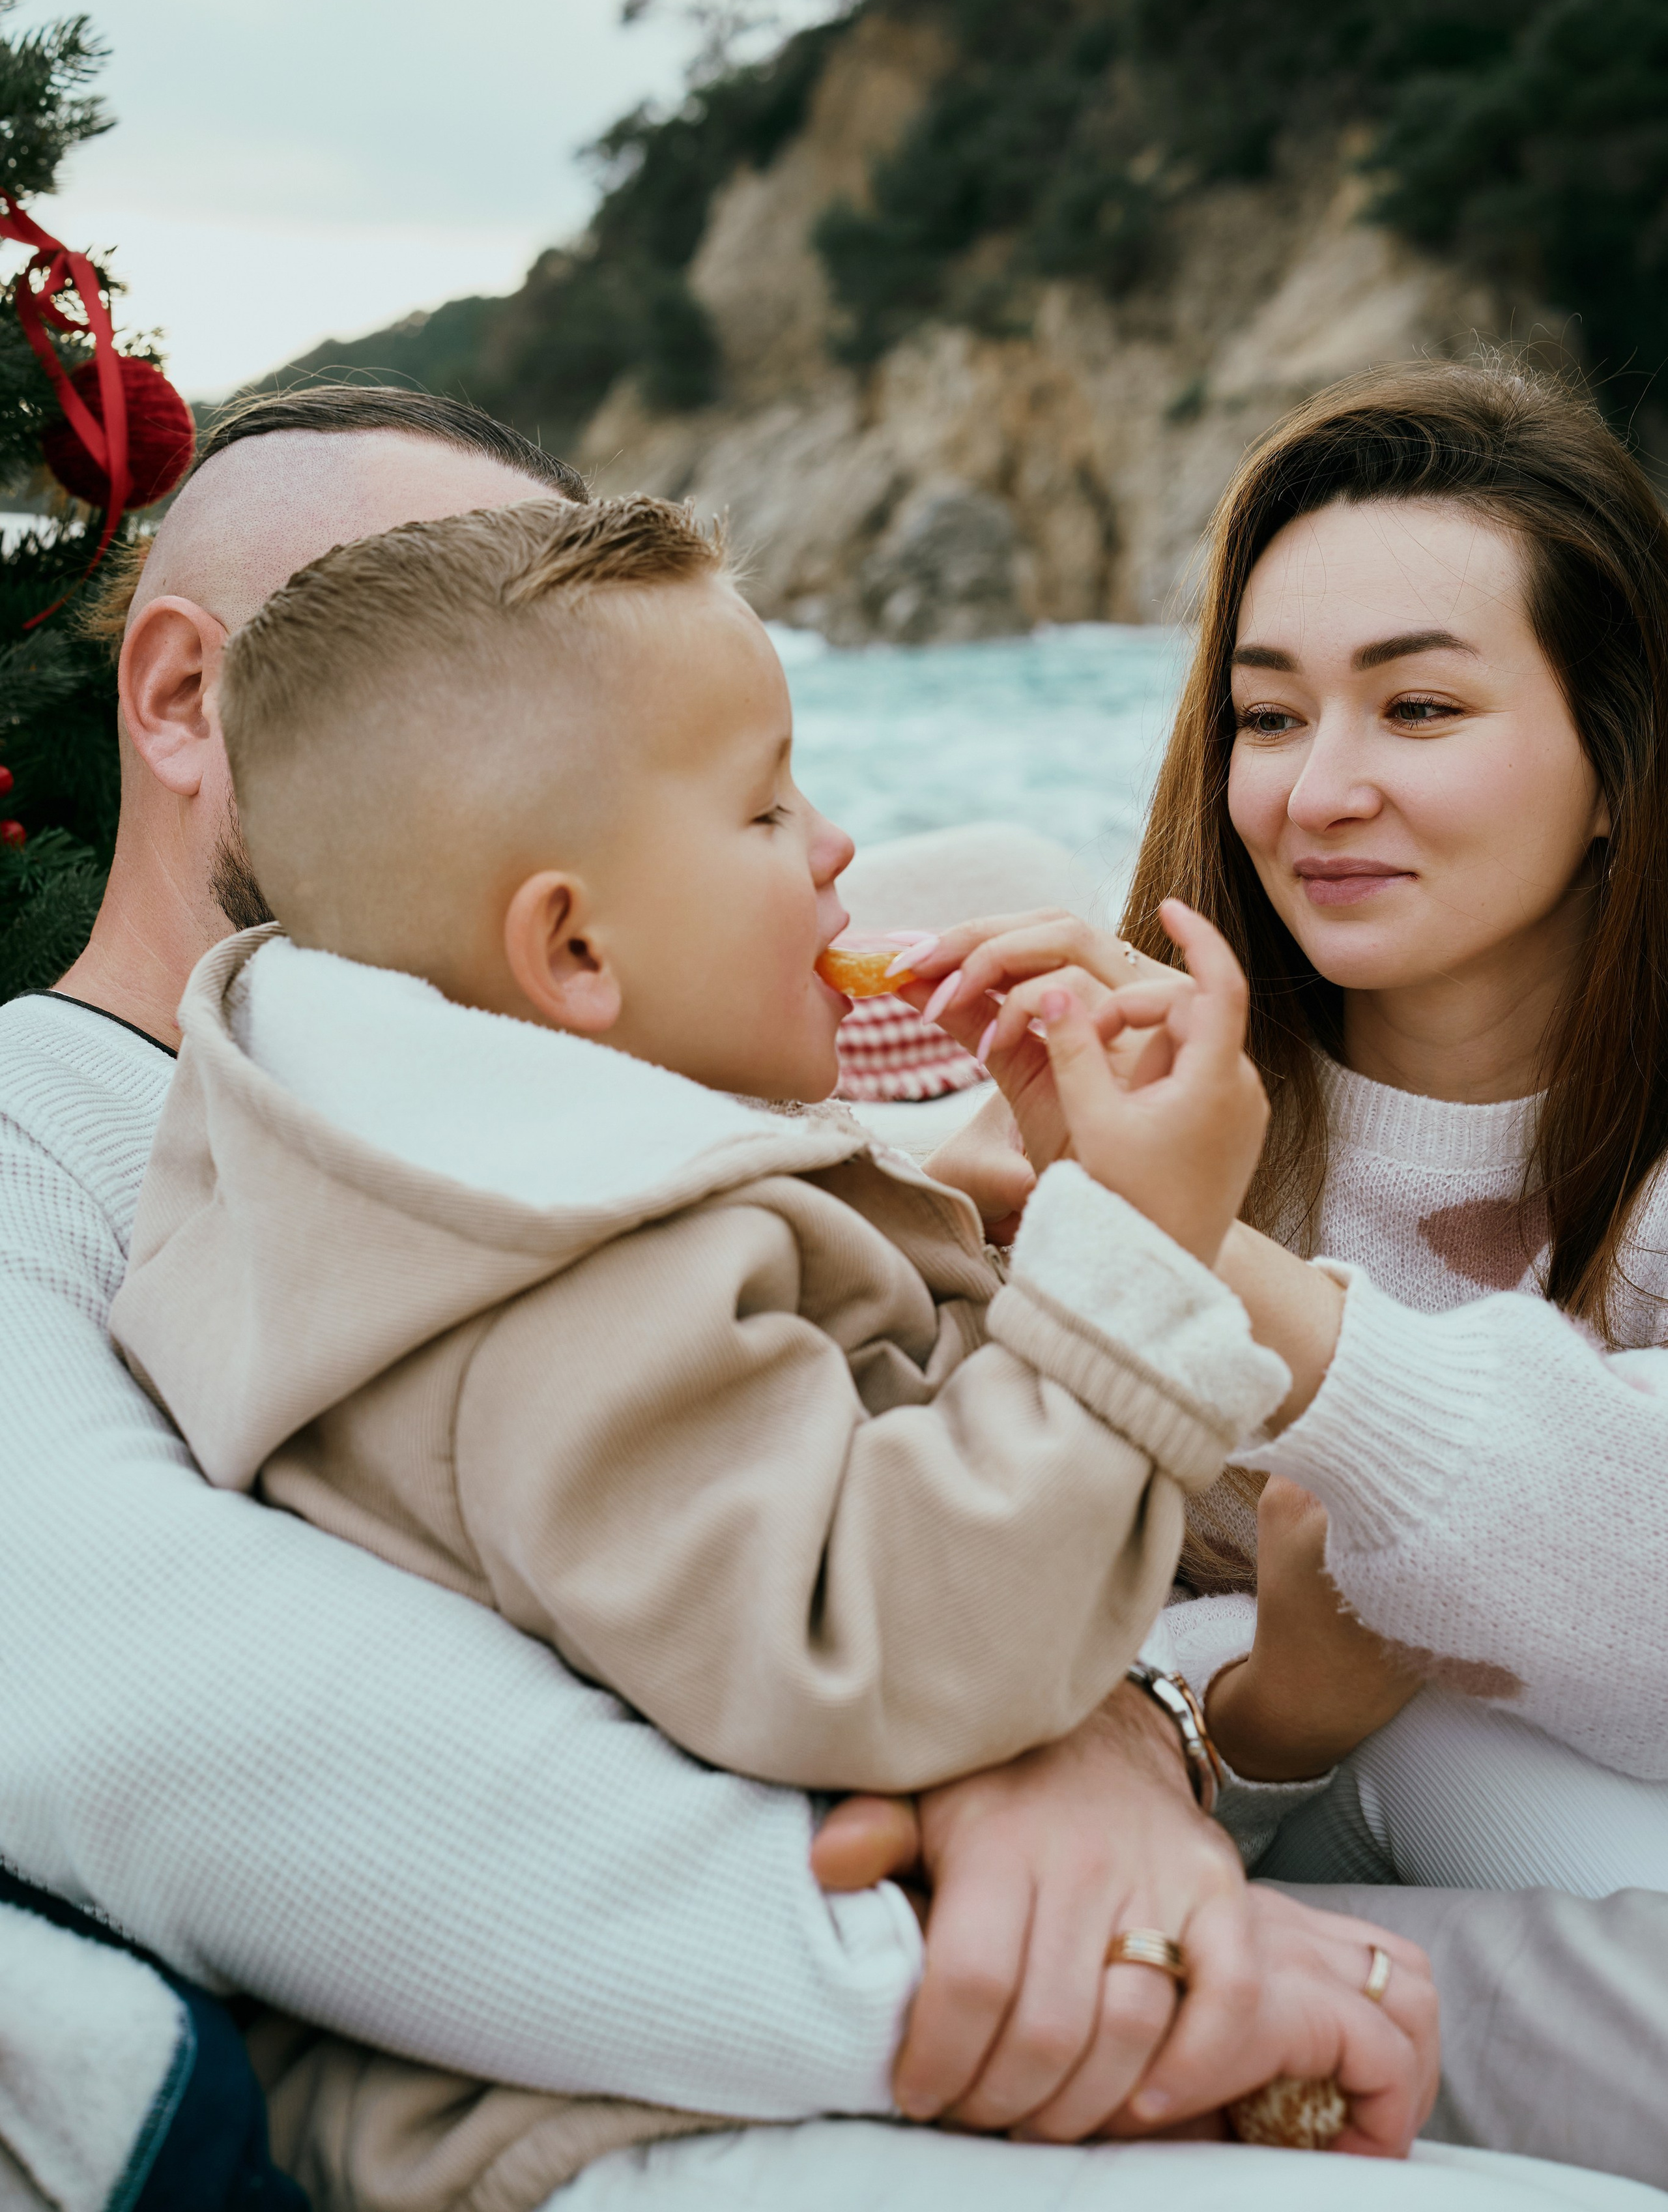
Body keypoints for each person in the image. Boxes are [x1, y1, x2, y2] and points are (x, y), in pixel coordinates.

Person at [0, 385, 1474, 2212]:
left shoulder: (678, 1074)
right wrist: (1088, 1940)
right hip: (747, 2078)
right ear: (177, 696)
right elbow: (224, 1746)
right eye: (416, 606)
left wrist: (1153, 1740)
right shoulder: (72, 1145)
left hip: (1064, 1942)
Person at [909, 357, 1668, 2177]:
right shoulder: (1090, 1095)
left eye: (1418, 709)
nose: (1319, 790)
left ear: (1615, 767)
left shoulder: (1148, 1174)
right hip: (1298, 1857)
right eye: (1267, 717)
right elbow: (983, 1654)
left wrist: (1182, 1243)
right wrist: (1267, 1712)